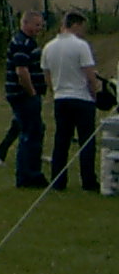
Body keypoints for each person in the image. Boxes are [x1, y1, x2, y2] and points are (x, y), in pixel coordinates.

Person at [41, 11, 100, 192]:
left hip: (61, 98)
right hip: (81, 97)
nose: (83, 31)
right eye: (82, 27)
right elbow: (89, 74)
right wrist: (95, 93)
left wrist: (54, 92)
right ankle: (88, 180)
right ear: (75, 25)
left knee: (61, 140)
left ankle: (58, 180)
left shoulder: (48, 47)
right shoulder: (81, 46)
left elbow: (47, 76)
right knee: (86, 141)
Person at [3, 10, 49, 189]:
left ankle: (30, 172)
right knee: (30, 133)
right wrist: (32, 92)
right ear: (26, 23)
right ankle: (28, 175)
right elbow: (21, 71)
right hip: (23, 95)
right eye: (36, 25)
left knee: (35, 130)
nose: (39, 28)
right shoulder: (21, 43)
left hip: (24, 95)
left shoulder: (29, 42)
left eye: (41, 25)